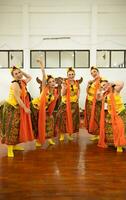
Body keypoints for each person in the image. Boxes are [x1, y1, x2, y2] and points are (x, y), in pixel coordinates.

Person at [0, 66, 34, 157]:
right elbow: (18, 99)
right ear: (13, 76)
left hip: (17, 108)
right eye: (16, 74)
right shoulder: (15, 84)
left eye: (19, 73)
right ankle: (10, 149)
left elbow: (30, 77)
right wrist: (25, 108)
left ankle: (15, 146)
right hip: (10, 108)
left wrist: (22, 72)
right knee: (10, 128)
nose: (19, 75)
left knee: (17, 127)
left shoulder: (22, 82)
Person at [31, 59, 59, 146]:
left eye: (53, 81)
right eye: (50, 82)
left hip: (44, 109)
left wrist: (49, 112)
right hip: (35, 108)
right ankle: (38, 140)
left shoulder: (55, 92)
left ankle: (49, 138)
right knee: (37, 124)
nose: (52, 83)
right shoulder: (44, 88)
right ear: (47, 83)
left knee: (50, 121)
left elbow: (51, 104)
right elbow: (43, 75)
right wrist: (41, 64)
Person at [98, 80, 126, 152]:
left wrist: (112, 83)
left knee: (120, 129)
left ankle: (120, 145)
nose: (103, 87)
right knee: (112, 130)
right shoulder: (105, 94)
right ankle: (116, 143)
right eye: (102, 86)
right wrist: (98, 93)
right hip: (111, 114)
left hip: (120, 113)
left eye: (104, 85)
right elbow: (98, 99)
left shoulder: (115, 91)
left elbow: (122, 83)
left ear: (108, 84)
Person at [55, 67, 80, 141]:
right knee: (62, 119)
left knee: (72, 120)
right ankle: (62, 134)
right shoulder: (64, 83)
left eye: (72, 74)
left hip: (74, 104)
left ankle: (70, 134)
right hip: (65, 103)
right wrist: (65, 87)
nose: (71, 76)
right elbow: (62, 94)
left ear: (74, 74)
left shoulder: (76, 83)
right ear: (67, 75)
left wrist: (77, 99)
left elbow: (78, 91)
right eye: (69, 74)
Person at [84, 66, 102, 141]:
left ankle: (98, 134)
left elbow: (101, 91)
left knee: (97, 117)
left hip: (96, 102)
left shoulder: (102, 80)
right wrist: (88, 84)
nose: (93, 74)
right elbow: (87, 91)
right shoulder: (92, 81)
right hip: (89, 101)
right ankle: (95, 133)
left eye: (94, 72)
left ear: (98, 71)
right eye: (91, 73)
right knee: (92, 117)